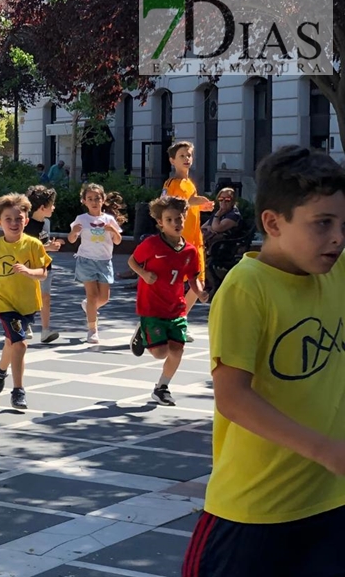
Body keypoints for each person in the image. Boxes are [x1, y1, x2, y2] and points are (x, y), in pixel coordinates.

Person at [182, 146, 345, 577]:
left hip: (330, 502)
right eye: (322, 224)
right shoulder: (247, 287)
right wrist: (328, 451)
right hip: (254, 510)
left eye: (343, 224)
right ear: (273, 222)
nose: (337, 237)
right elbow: (232, 398)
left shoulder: (336, 272)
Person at [127, 196, 207, 406]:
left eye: (179, 219)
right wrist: (144, 274)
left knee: (177, 350)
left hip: (176, 308)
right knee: (160, 353)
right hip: (152, 307)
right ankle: (142, 331)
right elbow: (132, 261)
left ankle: (162, 387)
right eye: (169, 220)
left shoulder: (190, 251)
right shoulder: (152, 244)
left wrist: (200, 292)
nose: (176, 224)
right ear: (160, 223)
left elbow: (193, 277)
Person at [0, 193, 51, 410]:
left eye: (18, 219)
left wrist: (29, 271)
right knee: (19, 343)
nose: (14, 223)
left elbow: (43, 273)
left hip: (27, 303)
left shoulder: (34, 244)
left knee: (11, 342)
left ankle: (0, 369)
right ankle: (18, 390)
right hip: (4, 303)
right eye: (8, 219)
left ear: (26, 221)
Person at [67, 183, 126, 344]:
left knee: (104, 298)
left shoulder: (109, 219)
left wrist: (113, 231)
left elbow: (118, 241)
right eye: (90, 199)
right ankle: (92, 329)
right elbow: (71, 239)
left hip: (105, 261)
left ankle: (89, 306)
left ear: (103, 200)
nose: (94, 202)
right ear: (84, 201)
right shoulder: (81, 219)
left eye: (97, 198)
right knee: (92, 295)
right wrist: (74, 232)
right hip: (86, 260)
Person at [164, 142, 214, 324]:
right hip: (179, 241)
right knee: (176, 282)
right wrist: (193, 202)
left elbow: (191, 207)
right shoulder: (171, 183)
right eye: (182, 156)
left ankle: (180, 317)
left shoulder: (189, 183)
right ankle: (169, 318)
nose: (186, 159)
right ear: (172, 161)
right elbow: (167, 207)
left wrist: (202, 206)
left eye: (189, 155)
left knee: (198, 282)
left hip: (195, 240)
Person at [24, 185, 64, 343]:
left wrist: (51, 246)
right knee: (28, 297)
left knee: (45, 297)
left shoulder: (45, 224)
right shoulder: (26, 224)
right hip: (28, 268)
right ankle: (25, 324)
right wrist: (47, 247)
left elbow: (43, 246)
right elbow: (26, 247)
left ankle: (45, 330)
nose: (53, 208)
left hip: (44, 267)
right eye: (51, 205)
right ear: (42, 208)